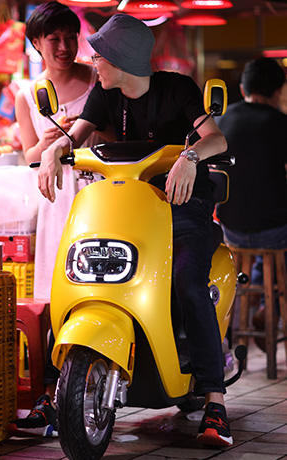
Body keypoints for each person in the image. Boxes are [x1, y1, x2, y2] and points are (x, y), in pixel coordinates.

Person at [38, 13, 233, 447]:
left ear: (120, 60)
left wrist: (190, 157)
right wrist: (55, 148)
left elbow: (216, 138)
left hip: (182, 204)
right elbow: (76, 135)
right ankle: (54, 390)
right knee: (80, 271)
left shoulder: (178, 89)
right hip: (126, 202)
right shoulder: (104, 95)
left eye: (99, 56)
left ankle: (214, 401)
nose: (94, 63)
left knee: (186, 280)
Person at [10, 1, 106, 436]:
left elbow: (118, 136)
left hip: (99, 194)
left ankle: (97, 381)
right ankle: (54, 390)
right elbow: (28, 156)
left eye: (72, 37)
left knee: (99, 285)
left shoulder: (99, 79)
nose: (65, 46)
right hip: (56, 198)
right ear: (36, 44)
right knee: (55, 291)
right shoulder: (26, 94)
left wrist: (85, 134)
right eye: (55, 40)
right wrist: (48, 142)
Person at [215, 58, 287, 320]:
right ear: (278, 91)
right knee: (274, 239)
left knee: (262, 237)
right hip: (274, 233)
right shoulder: (281, 123)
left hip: (230, 228)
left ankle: (253, 298)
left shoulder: (221, 122)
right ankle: (271, 307)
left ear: (244, 89)